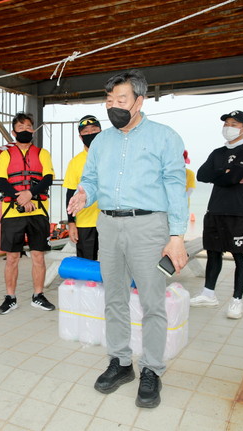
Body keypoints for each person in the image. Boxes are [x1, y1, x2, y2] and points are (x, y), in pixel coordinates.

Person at [67, 70, 188, 409]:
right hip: (108, 225)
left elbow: (175, 188)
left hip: (149, 227)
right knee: (114, 298)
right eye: (109, 101)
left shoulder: (165, 137)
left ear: (139, 101)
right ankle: (120, 362)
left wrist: (177, 236)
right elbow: (90, 179)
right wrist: (83, 194)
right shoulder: (102, 141)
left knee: (152, 303)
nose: (113, 107)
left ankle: (152, 369)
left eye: (121, 100)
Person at [191, 110, 243, 320]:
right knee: (213, 253)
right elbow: (201, 175)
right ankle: (208, 293)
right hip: (214, 211)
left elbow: (235, 178)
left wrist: (226, 175)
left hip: (238, 212)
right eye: (227, 123)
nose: (229, 127)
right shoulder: (217, 152)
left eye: (234, 124)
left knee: (240, 256)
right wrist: (227, 174)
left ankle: (236, 300)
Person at [0, 112, 56, 315]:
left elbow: (47, 178)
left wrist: (30, 194)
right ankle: (10, 298)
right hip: (12, 212)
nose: (25, 130)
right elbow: (2, 181)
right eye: (21, 128)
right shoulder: (5, 155)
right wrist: (20, 198)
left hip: (38, 211)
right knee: (12, 257)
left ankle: (38, 295)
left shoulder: (42, 153)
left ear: (33, 131)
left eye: (29, 127)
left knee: (38, 255)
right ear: (14, 132)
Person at [62, 115, 102, 260]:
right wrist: (71, 224)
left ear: (101, 131)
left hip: (110, 221)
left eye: (94, 129)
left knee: (113, 266)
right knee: (87, 265)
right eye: (86, 132)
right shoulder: (75, 162)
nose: (90, 134)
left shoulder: (111, 156)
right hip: (85, 222)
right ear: (80, 137)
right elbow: (69, 194)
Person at [184, 150, 196, 220]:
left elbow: (190, 190)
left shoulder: (189, 173)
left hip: (183, 205)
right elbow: (190, 190)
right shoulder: (190, 173)